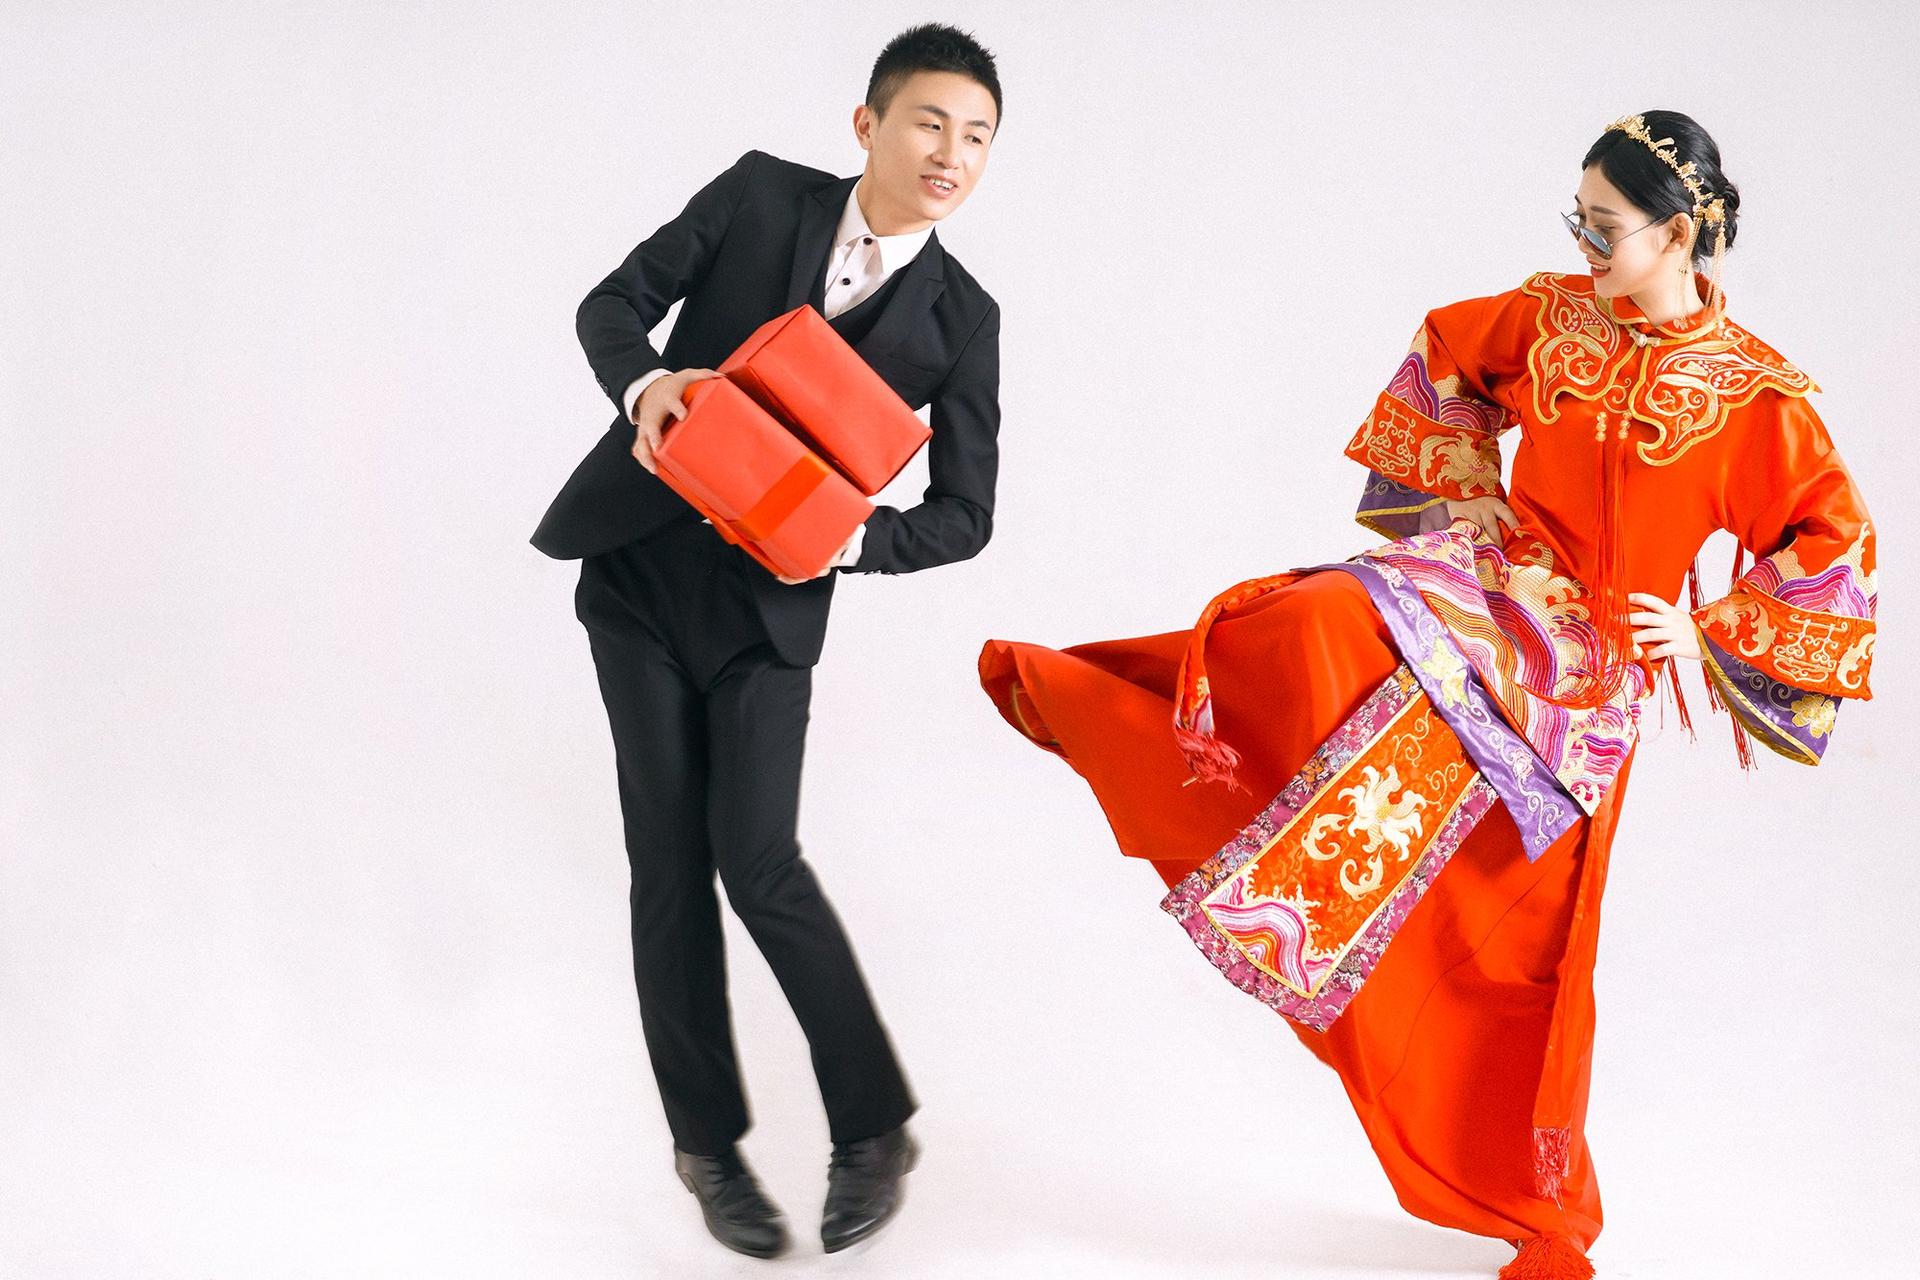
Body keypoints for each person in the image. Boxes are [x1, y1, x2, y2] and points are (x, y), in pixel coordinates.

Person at [978, 110, 1874, 1279]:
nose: (1583, 242)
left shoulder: (1756, 396)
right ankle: (1111, 705)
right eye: (1578, 219)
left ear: (1676, 233)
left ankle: (1536, 1210)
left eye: (1604, 225)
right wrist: (1468, 483)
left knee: (1520, 957)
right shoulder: (1551, 315)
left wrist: (1703, 634)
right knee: (1310, 623)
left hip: (1587, 678)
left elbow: (1832, 535)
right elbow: (1450, 344)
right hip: (1488, 588)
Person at [531, 23, 1002, 1259]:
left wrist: (847, 540)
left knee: (759, 860)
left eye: (976, 137)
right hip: (637, 574)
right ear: (868, 125)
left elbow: (965, 515)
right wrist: (648, 385)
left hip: (768, 613)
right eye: (929, 122)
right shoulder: (756, 195)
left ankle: (874, 1126)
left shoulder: (965, 318)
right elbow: (611, 304)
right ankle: (706, 1146)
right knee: (666, 865)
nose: (950, 153)